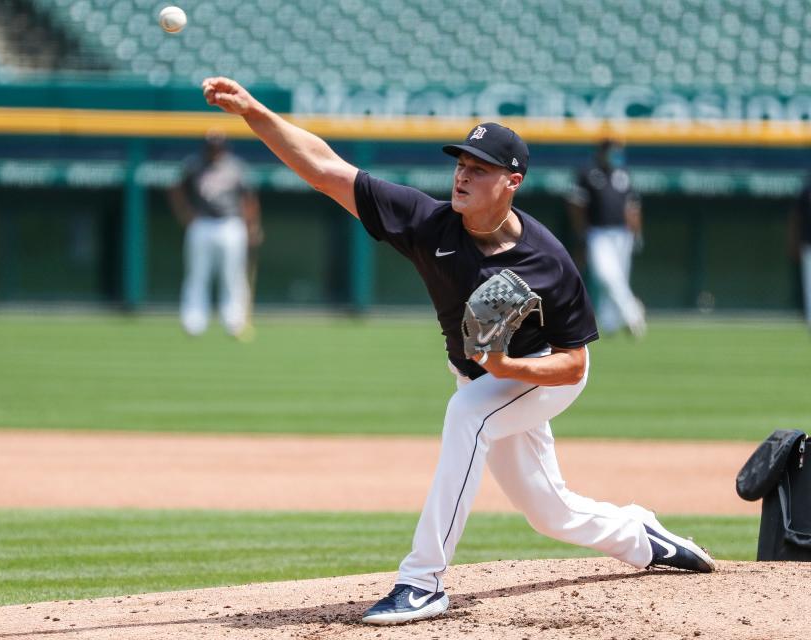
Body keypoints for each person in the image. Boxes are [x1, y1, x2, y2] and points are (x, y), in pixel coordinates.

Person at [200, 76, 714, 626]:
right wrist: (255, 111)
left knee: (468, 414)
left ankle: (422, 582)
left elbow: (575, 364)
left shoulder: (548, 262)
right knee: (549, 511)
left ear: (511, 182)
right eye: (461, 164)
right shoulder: (427, 223)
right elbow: (326, 169)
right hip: (483, 377)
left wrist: (505, 367)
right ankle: (641, 534)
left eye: (480, 169)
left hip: (538, 376)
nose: (463, 175)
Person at [170, 131, 262, 337]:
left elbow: (249, 198)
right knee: (197, 273)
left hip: (230, 223)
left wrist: (252, 225)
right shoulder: (194, 165)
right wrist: (185, 213)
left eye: (218, 147)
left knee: (233, 275)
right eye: (212, 147)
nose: (215, 151)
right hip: (202, 223)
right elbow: (176, 189)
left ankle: (234, 320)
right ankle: (193, 321)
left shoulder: (235, 167)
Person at [566, 140, 646, 337]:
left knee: (619, 277)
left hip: (623, 234)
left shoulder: (623, 174)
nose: (615, 155)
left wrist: (637, 233)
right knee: (606, 275)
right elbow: (576, 205)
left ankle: (609, 323)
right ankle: (633, 313)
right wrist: (581, 232)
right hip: (598, 232)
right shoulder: (587, 174)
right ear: (601, 152)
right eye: (611, 151)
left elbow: (633, 207)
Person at [789, 175, 811, 326]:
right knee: (809, 285)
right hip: (808, 244)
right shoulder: (805, 192)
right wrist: (794, 243)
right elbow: (795, 218)